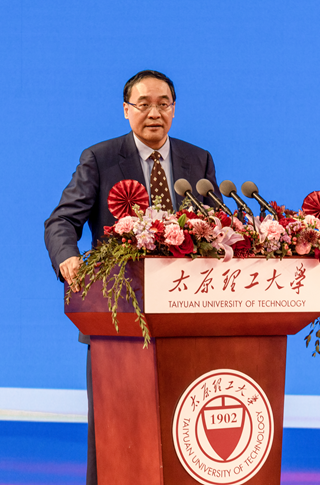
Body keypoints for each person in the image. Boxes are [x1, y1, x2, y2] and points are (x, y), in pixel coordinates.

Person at [44, 70, 221, 485]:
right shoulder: (101, 158)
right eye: (144, 104)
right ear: (126, 110)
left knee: (183, 430)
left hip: (186, 317)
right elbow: (61, 222)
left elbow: (215, 228)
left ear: (174, 109)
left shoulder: (199, 160)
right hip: (120, 319)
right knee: (114, 435)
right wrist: (68, 259)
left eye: (164, 104)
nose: (154, 113)